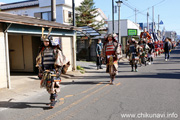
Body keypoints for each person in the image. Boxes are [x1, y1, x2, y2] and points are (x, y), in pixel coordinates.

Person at [36, 29, 69, 108]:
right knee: (48, 86)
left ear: (50, 41)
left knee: (53, 85)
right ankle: (53, 98)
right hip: (45, 71)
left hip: (54, 70)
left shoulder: (55, 50)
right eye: (44, 41)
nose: (45, 43)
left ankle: (53, 100)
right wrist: (40, 71)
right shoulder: (42, 50)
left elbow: (61, 60)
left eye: (47, 41)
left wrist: (59, 70)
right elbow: (39, 61)